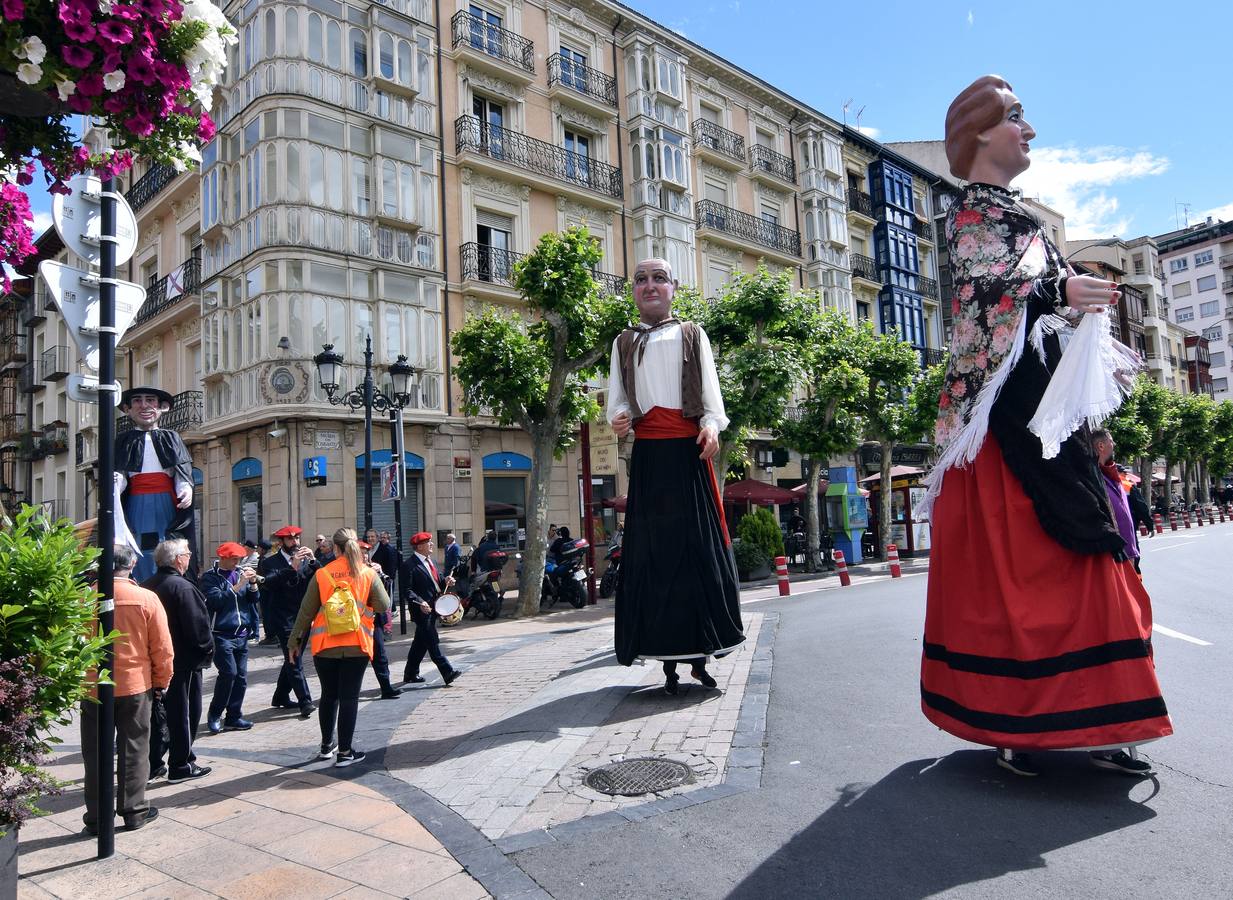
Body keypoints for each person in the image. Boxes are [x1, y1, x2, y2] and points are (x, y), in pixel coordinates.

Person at [919, 75, 1170, 778]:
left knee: (1085, 552)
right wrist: (1059, 290)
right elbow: (984, 286)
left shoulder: (1017, 216)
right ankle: (1020, 722)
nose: (1028, 131)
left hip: (1048, 414)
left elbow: (1030, 305)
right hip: (1006, 422)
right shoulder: (971, 214)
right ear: (978, 133)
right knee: (1032, 567)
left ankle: (1098, 716)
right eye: (1016, 118)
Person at [607, 257, 745, 694]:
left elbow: (711, 399)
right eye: (641, 279)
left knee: (697, 553)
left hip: (687, 457)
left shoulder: (692, 334)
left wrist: (710, 426)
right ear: (634, 290)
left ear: (674, 288)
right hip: (648, 458)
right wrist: (620, 417)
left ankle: (701, 653)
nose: (650, 286)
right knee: (652, 557)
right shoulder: (623, 341)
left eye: (659, 278)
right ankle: (665, 661)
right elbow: (616, 400)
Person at [81, 545, 173, 834]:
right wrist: (162, 682)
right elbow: (162, 648)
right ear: (131, 565)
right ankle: (134, 810)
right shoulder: (145, 598)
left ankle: (97, 816)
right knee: (134, 748)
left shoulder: (83, 600)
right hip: (134, 684)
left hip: (93, 685)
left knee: (95, 752)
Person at [289, 528, 390, 766]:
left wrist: (294, 641)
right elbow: (384, 605)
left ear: (335, 548)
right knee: (349, 697)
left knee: (329, 695)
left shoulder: (323, 574)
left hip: (325, 646)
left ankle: (326, 746)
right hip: (357, 644)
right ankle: (345, 752)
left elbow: (306, 611)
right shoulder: (367, 573)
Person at [143, 539, 215, 784]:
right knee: (184, 713)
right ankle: (181, 764)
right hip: (183, 663)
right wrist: (206, 651)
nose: (190, 556)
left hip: (157, 661)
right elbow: (198, 628)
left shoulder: (148, 585)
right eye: (187, 553)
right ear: (177, 559)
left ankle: (157, 763)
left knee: (161, 715)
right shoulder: (181, 587)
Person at [115, 387, 196, 582]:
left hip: (167, 505)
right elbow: (121, 474)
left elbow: (181, 472)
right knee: (141, 545)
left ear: (163, 407)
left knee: (169, 546)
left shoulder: (172, 437)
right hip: (137, 505)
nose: (144, 405)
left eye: (150, 400)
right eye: (137, 401)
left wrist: (185, 488)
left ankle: (170, 583)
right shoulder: (123, 441)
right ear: (127, 409)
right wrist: (116, 486)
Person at [200, 542, 260, 734]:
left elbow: (253, 600)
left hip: (241, 633)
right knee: (229, 674)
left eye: (239, 559)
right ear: (223, 558)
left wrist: (252, 584)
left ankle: (233, 716)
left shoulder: (239, 572)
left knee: (241, 677)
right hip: (221, 634)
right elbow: (216, 601)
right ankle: (215, 714)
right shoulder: (210, 577)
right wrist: (240, 583)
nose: (237, 563)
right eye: (234, 559)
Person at [258, 525, 318, 717]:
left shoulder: (306, 562)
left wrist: (314, 560)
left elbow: (321, 578)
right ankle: (305, 701)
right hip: (284, 619)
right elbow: (269, 583)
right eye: (291, 540)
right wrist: (291, 568)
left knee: (294, 658)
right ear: (281, 542)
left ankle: (280, 696)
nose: (296, 543)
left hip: (304, 617)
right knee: (294, 660)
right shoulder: (270, 562)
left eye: (297, 539)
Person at [400, 532, 463, 686]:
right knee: (432, 640)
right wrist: (420, 602)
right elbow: (406, 590)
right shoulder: (408, 565)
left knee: (420, 643)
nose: (432, 545)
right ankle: (447, 672)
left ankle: (410, 673)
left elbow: (438, 581)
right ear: (420, 546)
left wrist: (447, 580)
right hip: (422, 610)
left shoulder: (432, 561)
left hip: (435, 607)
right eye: (429, 542)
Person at [1091, 430, 1143, 574]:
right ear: (1101, 446)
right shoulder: (1093, 477)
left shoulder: (1111, 474)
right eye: (1111, 441)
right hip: (1116, 556)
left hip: (1128, 551)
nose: (1114, 444)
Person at [361, 540, 402, 699]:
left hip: (374, 618)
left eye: (366, 553)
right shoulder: (352, 571)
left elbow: (386, 591)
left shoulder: (373, 568)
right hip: (356, 621)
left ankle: (386, 687)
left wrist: (380, 573)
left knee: (380, 654)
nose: (364, 556)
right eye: (361, 553)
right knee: (357, 658)